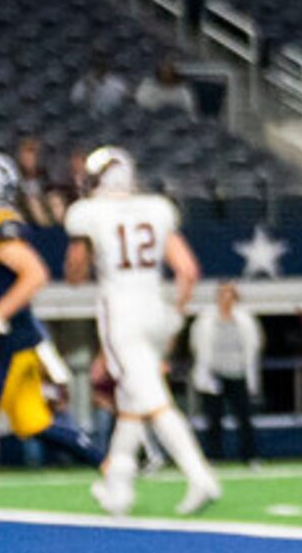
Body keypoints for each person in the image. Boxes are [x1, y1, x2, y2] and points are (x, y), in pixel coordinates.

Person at [0, 150, 102, 535]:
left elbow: (35, 273)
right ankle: (112, 469)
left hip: (8, 342)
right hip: (14, 339)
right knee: (35, 422)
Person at [61, 145, 223, 516]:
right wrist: (177, 317)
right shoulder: (156, 208)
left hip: (121, 312)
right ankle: (118, 486)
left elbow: (75, 275)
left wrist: (78, 249)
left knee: (153, 400)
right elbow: (188, 271)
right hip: (156, 305)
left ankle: (199, 474)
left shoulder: (87, 213)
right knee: (132, 403)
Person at [191, 280, 263, 464]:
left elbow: (254, 346)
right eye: (222, 293)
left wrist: (249, 374)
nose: (225, 297)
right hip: (214, 375)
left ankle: (250, 456)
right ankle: (214, 455)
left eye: (229, 293)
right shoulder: (206, 319)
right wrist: (205, 372)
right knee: (213, 418)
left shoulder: (245, 319)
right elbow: (197, 344)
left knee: (244, 417)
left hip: (238, 374)